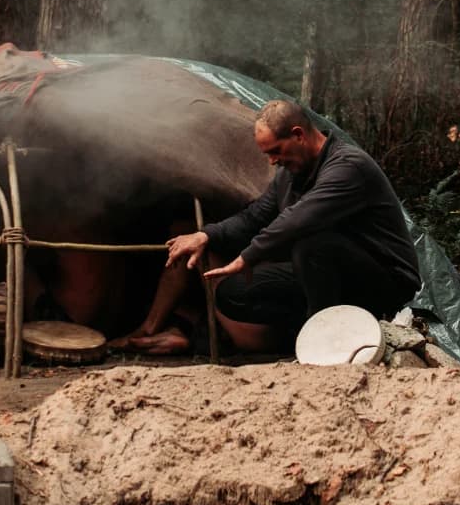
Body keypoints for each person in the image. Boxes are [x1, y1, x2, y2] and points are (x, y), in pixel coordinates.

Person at [118, 99, 420, 354]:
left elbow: (298, 219)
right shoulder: (290, 175)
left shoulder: (348, 167)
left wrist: (246, 257)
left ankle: (325, 345)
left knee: (311, 243)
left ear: (298, 135)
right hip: (326, 273)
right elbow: (254, 217)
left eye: (275, 151)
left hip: (384, 280)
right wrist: (205, 234)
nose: (273, 161)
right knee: (233, 294)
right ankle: (308, 331)